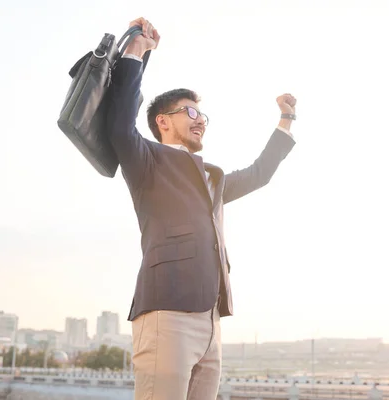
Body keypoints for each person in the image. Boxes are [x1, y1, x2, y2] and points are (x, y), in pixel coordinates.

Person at [107, 17, 297, 400]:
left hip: (211, 320)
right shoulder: (147, 159)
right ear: (163, 121)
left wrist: (286, 121)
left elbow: (259, 175)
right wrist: (137, 51)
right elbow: (118, 126)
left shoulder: (212, 177)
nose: (200, 122)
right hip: (167, 312)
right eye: (190, 113)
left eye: (203, 116)